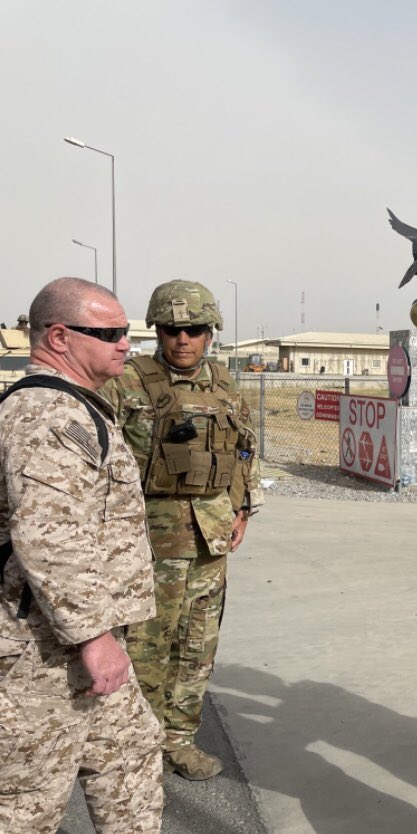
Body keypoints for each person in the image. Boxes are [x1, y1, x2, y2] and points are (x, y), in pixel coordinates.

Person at [0, 277, 163, 833]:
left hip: (77, 638)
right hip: (39, 651)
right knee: (27, 802)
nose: (125, 343)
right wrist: (95, 638)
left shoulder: (76, 406)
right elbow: (49, 536)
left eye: (126, 332)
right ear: (61, 337)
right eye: (111, 332)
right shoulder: (48, 415)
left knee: (131, 760)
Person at [101, 279, 262, 781]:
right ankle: (139, 746)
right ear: (158, 331)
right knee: (147, 648)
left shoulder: (224, 383)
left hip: (210, 539)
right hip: (150, 542)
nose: (183, 339)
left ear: (210, 333)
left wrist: (243, 507)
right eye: (173, 329)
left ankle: (179, 740)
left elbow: (244, 447)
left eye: (194, 329)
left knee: (197, 648)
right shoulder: (126, 383)